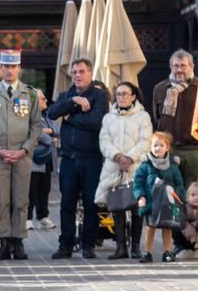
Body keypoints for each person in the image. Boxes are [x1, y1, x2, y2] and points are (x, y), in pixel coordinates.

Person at [0, 51, 42, 260]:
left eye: (14, 66)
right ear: (1, 68)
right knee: (2, 200)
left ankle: (19, 241)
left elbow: (36, 125)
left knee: (21, 200)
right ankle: (4, 242)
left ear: (19, 68)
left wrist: (24, 149)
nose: (10, 70)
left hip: (22, 155)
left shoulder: (30, 94)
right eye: (6, 66)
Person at [47, 58, 110, 259]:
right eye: (74, 72)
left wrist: (69, 118)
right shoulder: (66, 95)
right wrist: (72, 102)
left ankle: (88, 244)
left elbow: (95, 122)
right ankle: (65, 244)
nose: (77, 75)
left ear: (90, 73)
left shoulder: (100, 95)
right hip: (68, 158)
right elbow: (52, 112)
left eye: (82, 71)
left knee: (91, 203)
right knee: (67, 203)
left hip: (91, 157)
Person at [94, 82, 152, 260]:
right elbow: (104, 141)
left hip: (135, 166)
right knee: (117, 206)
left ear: (134, 96)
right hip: (114, 166)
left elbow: (146, 141)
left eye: (126, 94)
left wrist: (130, 158)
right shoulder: (108, 118)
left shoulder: (143, 117)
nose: (122, 97)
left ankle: (135, 246)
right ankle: (120, 246)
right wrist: (118, 156)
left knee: (136, 207)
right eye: (118, 94)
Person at [133, 132, 186, 263]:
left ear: (167, 148)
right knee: (150, 227)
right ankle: (147, 252)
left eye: (161, 145)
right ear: (150, 147)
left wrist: (180, 197)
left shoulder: (173, 166)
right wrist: (140, 197)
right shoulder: (146, 165)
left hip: (168, 202)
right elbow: (138, 182)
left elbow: (179, 184)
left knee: (167, 227)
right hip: (151, 202)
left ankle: (167, 252)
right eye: (155, 145)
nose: (158, 148)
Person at [151, 50, 198, 186]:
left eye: (183, 66)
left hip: (194, 150)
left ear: (192, 66)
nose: (179, 69)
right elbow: (157, 117)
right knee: (170, 193)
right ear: (171, 67)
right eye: (176, 66)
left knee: (194, 193)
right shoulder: (160, 88)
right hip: (169, 149)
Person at [27, 89, 58, 231]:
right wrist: (50, 138)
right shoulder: (28, 115)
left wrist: (50, 132)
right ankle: (27, 218)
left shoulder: (48, 115)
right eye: (43, 99)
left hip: (47, 158)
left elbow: (58, 130)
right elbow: (36, 132)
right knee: (30, 189)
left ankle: (43, 216)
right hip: (33, 159)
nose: (46, 101)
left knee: (45, 189)